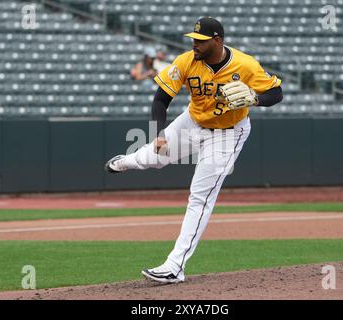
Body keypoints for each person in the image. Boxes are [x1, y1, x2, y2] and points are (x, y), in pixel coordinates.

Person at [105, 17, 283, 284]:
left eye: (200, 40)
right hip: (193, 121)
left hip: (228, 133)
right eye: (193, 39)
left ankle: (175, 266)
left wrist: (256, 99)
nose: (194, 43)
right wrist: (158, 133)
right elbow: (160, 99)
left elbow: (276, 92)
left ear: (217, 41)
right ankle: (126, 160)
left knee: (199, 197)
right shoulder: (186, 61)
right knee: (154, 158)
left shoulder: (245, 65)